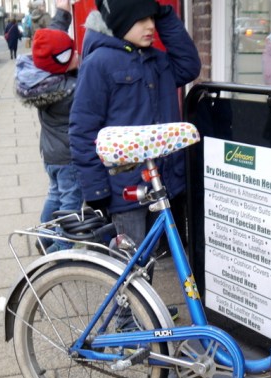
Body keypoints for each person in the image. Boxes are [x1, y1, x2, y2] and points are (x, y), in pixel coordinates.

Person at [69, 0, 201, 249]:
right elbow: (82, 129)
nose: (150, 26)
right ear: (121, 22)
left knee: (150, 260)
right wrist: (96, 191)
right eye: (141, 20)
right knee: (130, 264)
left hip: (160, 181)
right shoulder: (99, 63)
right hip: (125, 188)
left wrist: (165, 15)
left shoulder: (156, 60)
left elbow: (188, 66)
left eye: (152, 18)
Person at [15, 0, 82, 252]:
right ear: (63, 63)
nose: (77, 54)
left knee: (55, 194)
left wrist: (63, 12)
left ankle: (44, 236)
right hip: (69, 157)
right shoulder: (71, 90)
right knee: (70, 204)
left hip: (51, 154)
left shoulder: (42, 76)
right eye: (72, 53)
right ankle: (58, 251)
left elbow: (52, 44)